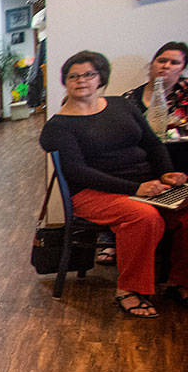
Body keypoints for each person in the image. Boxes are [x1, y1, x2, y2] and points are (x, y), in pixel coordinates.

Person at [39, 50, 188, 318]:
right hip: (93, 193)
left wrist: (167, 173)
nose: (81, 80)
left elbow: (153, 144)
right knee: (143, 217)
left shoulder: (122, 105)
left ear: (101, 78)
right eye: (73, 76)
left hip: (145, 184)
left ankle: (180, 282)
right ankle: (129, 290)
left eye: (89, 74)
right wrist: (135, 189)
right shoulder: (58, 126)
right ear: (65, 81)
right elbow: (78, 172)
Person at [120, 41, 188, 121]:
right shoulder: (128, 99)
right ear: (152, 64)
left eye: (174, 63)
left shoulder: (185, 92)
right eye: (162, 61)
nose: (166, 66)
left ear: (182, 69)